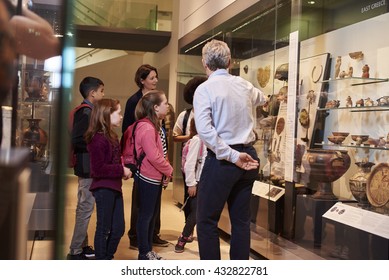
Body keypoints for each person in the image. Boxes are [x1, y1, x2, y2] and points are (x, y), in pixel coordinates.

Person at [193, 39, 266, 260]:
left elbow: (205, 132)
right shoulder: (244, 85)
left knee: (206, 220)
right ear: (230, 62)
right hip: (249, 156)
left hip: (224, 159)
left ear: (204, 63)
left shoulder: (204, 89)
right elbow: (262, 98)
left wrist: (232, 156)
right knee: (241, 221)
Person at [122, 64, 168, 249]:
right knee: (141, 199)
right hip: (143, 157)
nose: (155, 80)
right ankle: (136, 236)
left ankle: (153, 233)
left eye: (156, 77)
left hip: (155, 152)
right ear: (142, 80)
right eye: (151, 78)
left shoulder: (155, 98)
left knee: (155, 198)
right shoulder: (134, 100)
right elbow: (128, 129)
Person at [84, 98, 131, 260]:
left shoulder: (110, 136)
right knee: (104, 228)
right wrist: (121, 169)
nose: (121, 116)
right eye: (118, 112)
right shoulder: (98, 139)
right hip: (104, 188)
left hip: (114, 186)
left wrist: (121, 171)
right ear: (106, 114)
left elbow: (113, 161)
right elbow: (98, 169)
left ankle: (106, 257)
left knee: (118, 228)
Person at [128, 90, 173, 260]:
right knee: (146, 215)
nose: (167, 106)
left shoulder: (155, 126)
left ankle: (148, 250)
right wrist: (169, 170)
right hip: (147, 176)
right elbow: (154, 156)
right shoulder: (146, 127)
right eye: (165, 103)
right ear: (155, 107)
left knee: (151, 215)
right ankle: (144, 252)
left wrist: (165, 172)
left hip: (154, 176)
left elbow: (161, 151)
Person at [67, 77, 105, 260]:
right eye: (101, 91)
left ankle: (82, 246)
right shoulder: (86, 113)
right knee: (85, 208)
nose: (103, 94)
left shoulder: (87, 111)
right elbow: (77, 139)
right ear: (93, 93)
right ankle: (75, 251)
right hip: (86, 166)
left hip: (86, 165)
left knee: (85, 207)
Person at [172, 76, 207, 240]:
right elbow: (174, 136)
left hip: (207, 161)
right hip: (189, 160)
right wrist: (191, 137)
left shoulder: (211, 111)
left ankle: (198, 227)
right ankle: (189, 227)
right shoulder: (184, 115)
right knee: (190, 195)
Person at [174, 118, 207, 253]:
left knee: (203, 213)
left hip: (208, 181)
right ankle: (183, 237)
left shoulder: (211, 139)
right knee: (196, 213)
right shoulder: (197, 140)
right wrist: (191, 184)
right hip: (198, 181)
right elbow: (189, 164)